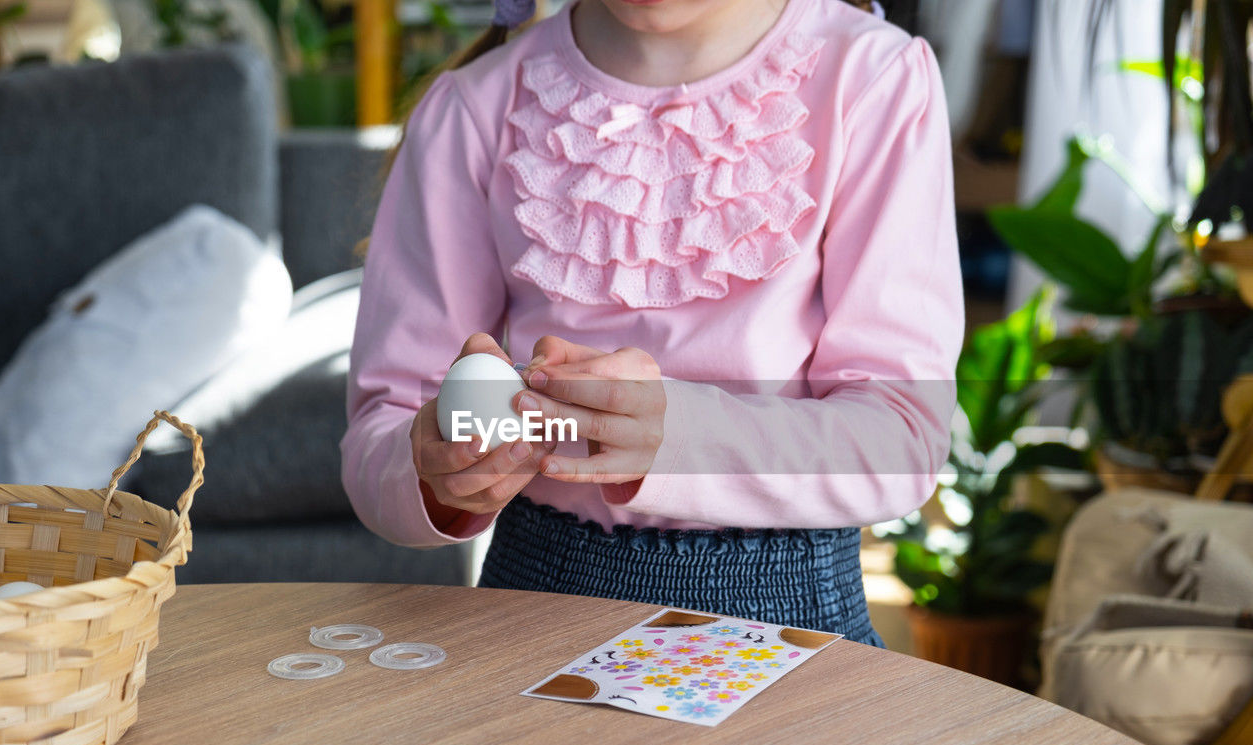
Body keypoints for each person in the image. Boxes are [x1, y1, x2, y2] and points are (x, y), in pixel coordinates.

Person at [341, 0, 963, 645]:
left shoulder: (873, 76)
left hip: (795, 629)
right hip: (524, 623)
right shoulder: (473, 107)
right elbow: (381, 431)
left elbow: (903, 439)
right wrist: (437, 470)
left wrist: (676, 440)